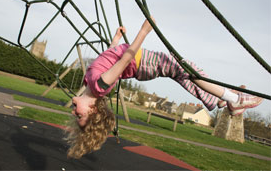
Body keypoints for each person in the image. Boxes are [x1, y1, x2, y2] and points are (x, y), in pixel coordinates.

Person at [66, 17, 263, 159]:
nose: (74, 112)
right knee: (186, 68)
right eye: (80, 115)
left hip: (141, 63)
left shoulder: (89, 83)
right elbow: (125, 59)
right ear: (92, 110)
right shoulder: (100, 86)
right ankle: (233, 100)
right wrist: (144, 31)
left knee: (183, 73)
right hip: (142, 62)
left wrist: (116, 39)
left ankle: (217, 100)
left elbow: (107, 58)